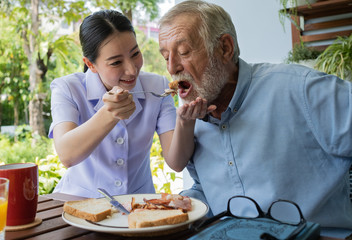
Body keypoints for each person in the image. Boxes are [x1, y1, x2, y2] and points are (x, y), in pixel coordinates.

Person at [158, 0, 352, 237]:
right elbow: (207, 189)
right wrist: (168, 211)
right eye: (165, 56)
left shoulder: (300, 89)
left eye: (184, 52)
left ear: (225, 48)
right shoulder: (192, 113)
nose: (172, 67)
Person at [48, 10, 176, 198]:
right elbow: (67, 155)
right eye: (116, 62)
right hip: (78, 202)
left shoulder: (158, 87)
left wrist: (187, 117)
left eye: (135, 54)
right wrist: (108, 114)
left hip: (140, 204)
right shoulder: (67, 88)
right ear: (90, 64)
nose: (132, 70)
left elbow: (175, 159)